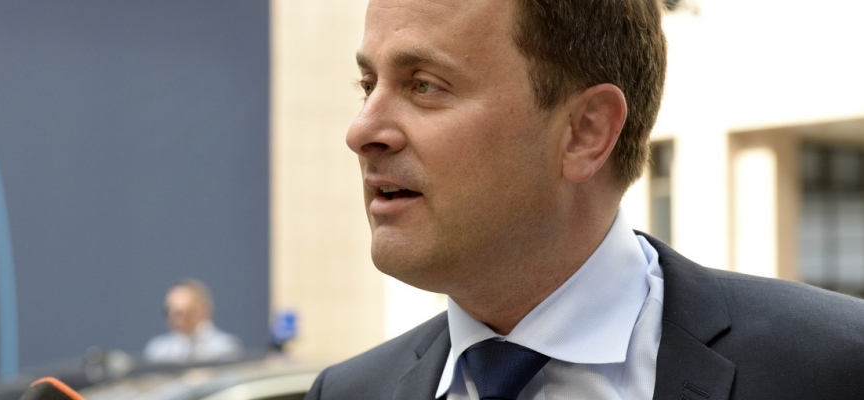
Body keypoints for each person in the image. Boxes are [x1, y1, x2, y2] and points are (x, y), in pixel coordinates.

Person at [305, 1, 864, 399]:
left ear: (586, 132)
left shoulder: (833, 367)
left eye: (424, 84)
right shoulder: (347, 391)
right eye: (367, 85)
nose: (361, 131)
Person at [144, 278, 243, 363]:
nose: (177, 320)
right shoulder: (158, 350)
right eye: (171, 313)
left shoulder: (226, 348)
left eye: (185, 313)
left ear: (204, 310)